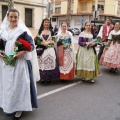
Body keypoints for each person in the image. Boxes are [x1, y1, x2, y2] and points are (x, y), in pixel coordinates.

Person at [0, 8, 39, 120]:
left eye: (15, 17)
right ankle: (8, 105)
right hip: (6, 63)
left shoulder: (23, 31)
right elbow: (1, 45)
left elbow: (31, 45)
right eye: (11, 16)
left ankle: (19, 108)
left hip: (19, 63)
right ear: (7, 17)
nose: (13, 19)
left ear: (18, 18)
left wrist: (22, 52)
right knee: (7, 85)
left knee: (18, 85)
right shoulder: (3, 31)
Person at [37, 18, 60, 83]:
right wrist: (42, 43)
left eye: (48, 22)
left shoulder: (52, 31)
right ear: (43, 23)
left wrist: (48, 43)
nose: (46, 23)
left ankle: (48, 78)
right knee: (42, 63)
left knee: (49, 62)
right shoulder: (40, 31)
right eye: (45, 22)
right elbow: (37, 40)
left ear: (49, 24)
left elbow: (54, 41)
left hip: (50, 49)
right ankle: (42, 78)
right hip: (42, 49)